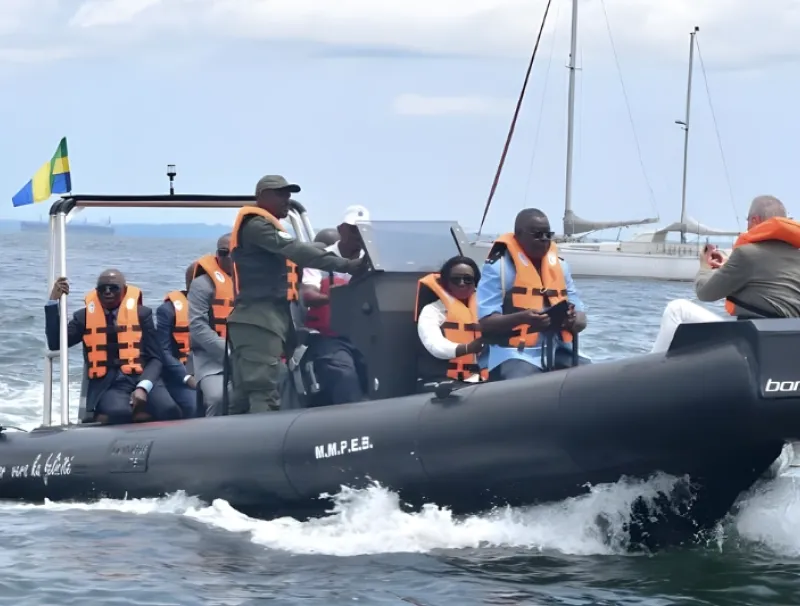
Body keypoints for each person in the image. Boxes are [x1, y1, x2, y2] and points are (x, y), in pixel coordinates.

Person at [227, 175, 365, 414]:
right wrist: (348, 265)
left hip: (267, 317)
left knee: (245, 392)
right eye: (280, 194)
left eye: (288, 195)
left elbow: (297, 249)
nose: (287, 200)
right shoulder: (258, 226)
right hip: (259, 318)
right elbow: (294, 249)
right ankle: (263, 445)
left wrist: (318, 249)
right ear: (262, 197)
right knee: (263, 390)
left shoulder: (267, 227)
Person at [650, 195, 800, 353]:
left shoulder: (746, 254)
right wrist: (726, 267)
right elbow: (766, 282)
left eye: (747, 221)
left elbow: (705, 292)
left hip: (753, 339)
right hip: (787, 341)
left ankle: (651, 370)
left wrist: (704, 267)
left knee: (677, 310)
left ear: (755, 220)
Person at [45, 270, 182, 424]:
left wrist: (143, 387)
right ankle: (106, 417)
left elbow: (156, 358)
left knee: (169, 410)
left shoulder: (142, 315)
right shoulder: (83, 318)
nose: (107, 292)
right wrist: (52, 302)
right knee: (120, 413)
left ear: (124, 290)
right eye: (102, 288)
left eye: (113, 288)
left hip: (141, 377)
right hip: (110, 384)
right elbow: (56, 342)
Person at [477, 208, 590, 380]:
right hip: (514, 353)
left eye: (548, 234)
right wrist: (523, 318)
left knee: (590, 377)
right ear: (519, 235)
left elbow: (582, 319)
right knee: (527, 383)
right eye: (537, 234)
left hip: (557, 349)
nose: (544, 240)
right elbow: (484, 323)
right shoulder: (497, 269)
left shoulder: (561, 267)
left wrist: (574, 319)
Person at [300, 206, 370, 405]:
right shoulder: (321, 259)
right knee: (344, 375)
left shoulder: (375, 259)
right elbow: (308, 294)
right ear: (341, 229)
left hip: (369, 335)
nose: (359, 234)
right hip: (330, 337)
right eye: (353, 228)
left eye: (364, 229)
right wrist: (338, 296)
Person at [414, 255, 487, 391]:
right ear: (445, 283)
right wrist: (468, 348)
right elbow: (435, 345)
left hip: (478, 380)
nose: (462, 283)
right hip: (440, 380)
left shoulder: (485, 309)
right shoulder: (432, 311)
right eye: (455, 279)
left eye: (468, 279)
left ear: (475, 283)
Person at [189, 234, 235, 416]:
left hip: (248, 355)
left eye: (233, 253)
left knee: (282, 378)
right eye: (223, 253)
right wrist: (228, 352)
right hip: (212, 361)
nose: (228, 257)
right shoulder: (202, 285)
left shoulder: (251, 281)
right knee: (218, 397)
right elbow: (198, 326)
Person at [156, 262, 199, 418]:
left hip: (212, 370)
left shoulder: (218, 307)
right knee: (195, 406)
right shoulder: (168, 311)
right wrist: (186, 377)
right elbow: (163, 351)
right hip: (182, 374)